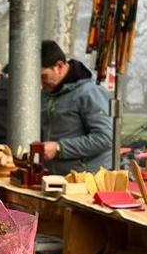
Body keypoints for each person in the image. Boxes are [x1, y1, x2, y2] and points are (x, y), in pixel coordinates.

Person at [39, 40, 112, 175]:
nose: (41, 85)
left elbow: (105, 138)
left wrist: (59, 148)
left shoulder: (90, 92)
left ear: (59, 66)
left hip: (87, 179)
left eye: (44, 77)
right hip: (54, 177)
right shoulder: (47, 94)